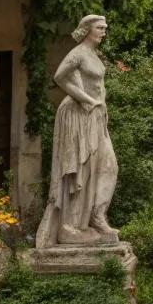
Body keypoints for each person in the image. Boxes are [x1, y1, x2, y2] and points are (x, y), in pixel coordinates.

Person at [35, 15, 119, 249]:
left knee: (108, 165)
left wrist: (95, 105)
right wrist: (86, 100)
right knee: (80, 169)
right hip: (78, 115)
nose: (104, 31)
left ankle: (96, 216)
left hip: (94, 116)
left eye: (105, 27)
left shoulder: (92, 54)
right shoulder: (78, 53)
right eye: (100, 27)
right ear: (87, 30)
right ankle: (71, 227)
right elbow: (60, 77)